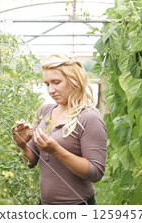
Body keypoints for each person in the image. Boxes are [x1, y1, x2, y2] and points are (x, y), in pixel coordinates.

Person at [11, 54, 107, 205]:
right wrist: (22, 145)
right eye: (47, 84)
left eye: (56, 82)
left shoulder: (88, 117)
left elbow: (95, 172)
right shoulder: (44, 112)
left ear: (74, 80)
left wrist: (56, 150)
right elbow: (30, 161)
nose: (51, 90)